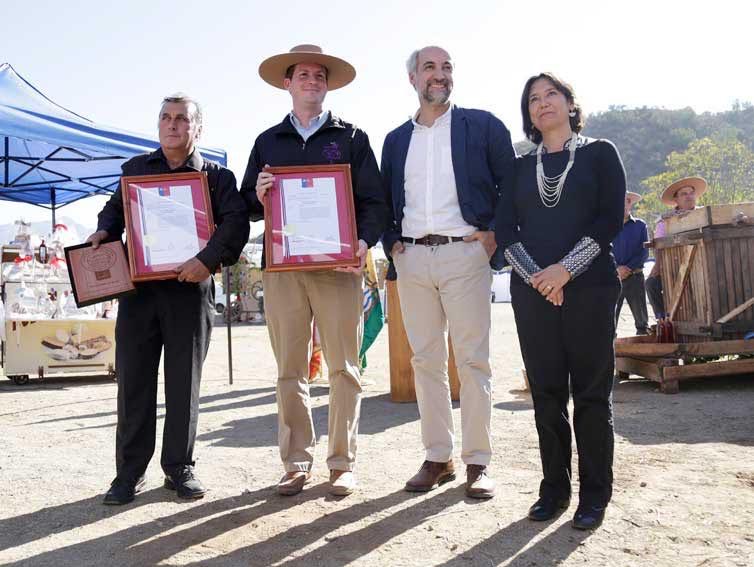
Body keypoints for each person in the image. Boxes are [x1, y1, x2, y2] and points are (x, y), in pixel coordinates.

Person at [88, 94, 250, 505]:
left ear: (198, 128)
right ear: (158, 124)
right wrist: (104, 233)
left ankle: (179, 468)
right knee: (134, 382)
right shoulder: (136, 171)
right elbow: (113, 212)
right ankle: (128, 473)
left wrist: (206, 260)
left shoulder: (217, 178)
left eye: (182, 119)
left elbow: (235, 223)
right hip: (139, 293)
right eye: (165, 117)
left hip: (189, 291)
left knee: (183, 385)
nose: (172, 124)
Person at [241, 45, 387, 497]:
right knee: (290, 368)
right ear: (287, 83)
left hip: (340, 267)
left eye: (319, 75)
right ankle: (296, 461)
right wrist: (259, 192)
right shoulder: (267, 141)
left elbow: (375, 202)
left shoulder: (353, 137)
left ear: (327, 84)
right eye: (302, 74)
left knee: (344, 367)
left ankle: (342, 463)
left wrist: (361, 244)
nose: (311, 80)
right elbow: (246, 205)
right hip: (283, 269)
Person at [381, 46, 515, 499]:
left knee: (473, 360)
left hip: (465, 254)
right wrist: (390, 242)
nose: (440, 75)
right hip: (413, 258)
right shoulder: (396, 140)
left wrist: (495, 232)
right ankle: (438, 457)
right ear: (413, 78)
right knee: (425, 362)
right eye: (430, 68)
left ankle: (478, 462)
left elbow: (510, 185)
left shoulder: (483, 126)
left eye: (447, 67)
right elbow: (383, 198)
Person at [495, 72, 625, 530]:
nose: (542, 103)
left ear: (571, 103)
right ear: (528, 112)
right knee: (546, 396)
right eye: (533, 98)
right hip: (533, 296)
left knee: (591, 395)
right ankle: (553, 490)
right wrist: (538, 277)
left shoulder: (600, 153)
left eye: (552, 94)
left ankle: (595, 496)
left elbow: (611, 218)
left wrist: (566, 269)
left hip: (590, 288)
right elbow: (505, 233)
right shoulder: (516, 167)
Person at [645, 177, 707, 318]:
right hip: (673, 267)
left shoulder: (704, 214)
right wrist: (657, 266)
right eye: (683, 194)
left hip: (703, 264)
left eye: (691, 193)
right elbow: (658, 244)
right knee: (651, 284)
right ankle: (663, 319)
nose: (688, 196)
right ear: (676, 200)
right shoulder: (665, 221)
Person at [613, 192, 650, 335]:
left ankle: (645, 354)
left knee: (642, 322)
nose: (623, 205)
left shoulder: (640, 226)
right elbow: (601, 250)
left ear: (630, 204)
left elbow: (644, 252)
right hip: (613, 278)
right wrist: (617, 270)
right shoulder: (606, 226)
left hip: (635, 276)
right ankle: (610, 354)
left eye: (627, 201)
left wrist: (627, 268)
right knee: (610, 320)